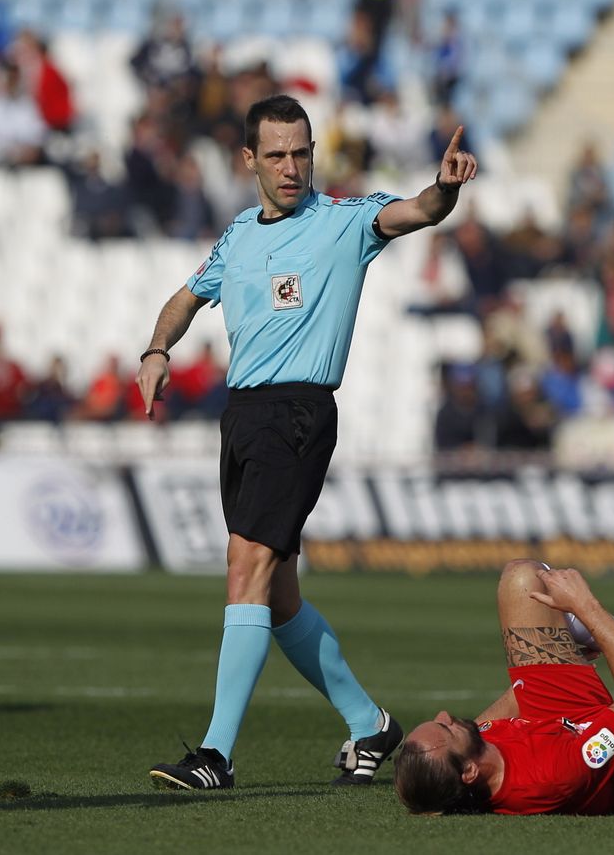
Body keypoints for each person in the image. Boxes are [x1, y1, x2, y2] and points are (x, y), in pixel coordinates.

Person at [136, 94, 477, 790]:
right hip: (244, 416)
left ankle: (216, 755)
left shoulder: (344, 222)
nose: (291, 167)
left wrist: (443, 188)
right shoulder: (238, 236)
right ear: (249, 160)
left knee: (246, 570)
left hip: (298, 412)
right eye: (276, 154)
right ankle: (368, 722)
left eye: (301, 152)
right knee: (278, 594)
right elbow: (185, 297)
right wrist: (157, 348)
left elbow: (415, 210)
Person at [394, 560, 614, 816]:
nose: (444, 715)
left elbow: (520, 694)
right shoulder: (553, 776)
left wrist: (569, 655)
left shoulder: (477, 751)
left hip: (564, 721)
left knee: (522, 579)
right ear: (469, 772)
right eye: (444, 728)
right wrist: (585, 607)